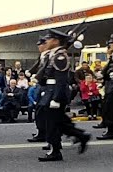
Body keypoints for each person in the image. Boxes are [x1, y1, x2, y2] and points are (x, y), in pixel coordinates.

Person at [34, 29, 91, 162]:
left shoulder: (60, 56)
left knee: (53, 123)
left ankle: (55, 151)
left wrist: (56, 99)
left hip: (56, 93)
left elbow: (61, 80)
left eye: (49, 39)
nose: (46, 42)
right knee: (59, 121)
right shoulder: (53, 54)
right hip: (50, 91)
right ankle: (81, 136)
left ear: (55, 41)